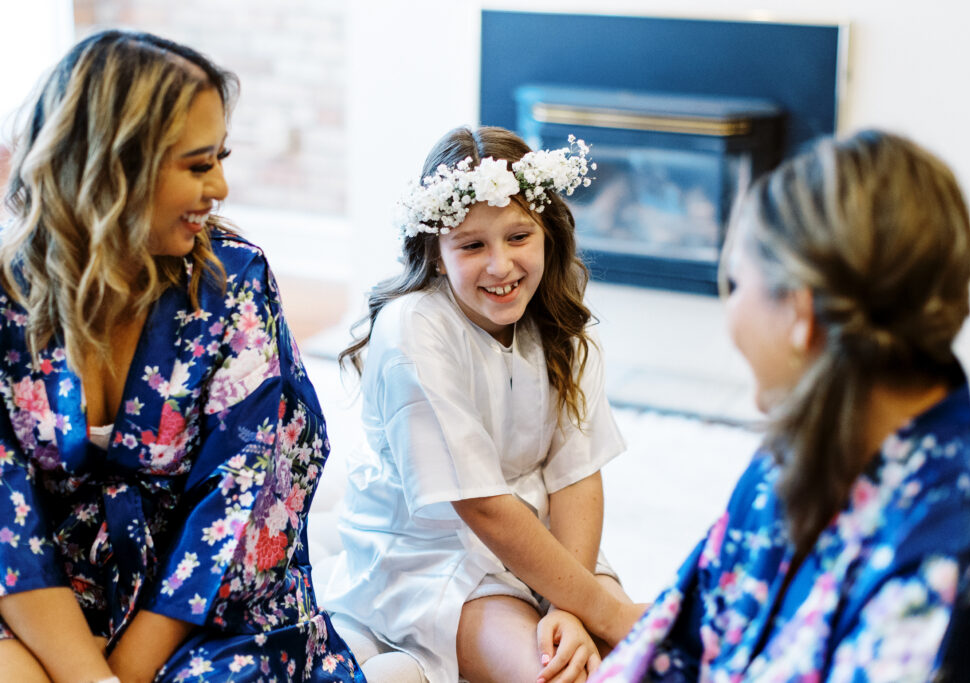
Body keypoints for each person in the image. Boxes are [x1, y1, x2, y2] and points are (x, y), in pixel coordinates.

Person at [591, 129, 970, 682]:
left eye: (737, 282)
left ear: (798, 313)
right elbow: (672, 650)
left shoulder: (960, 540)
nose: (731, 313)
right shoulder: (788, 460)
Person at [0, 30, 363, 683]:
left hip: (202, 610)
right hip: (33, 602)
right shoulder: (6, 303)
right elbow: (7, 524)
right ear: (116, 165)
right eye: (198, 165)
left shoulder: (235, 283)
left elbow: (237, 497)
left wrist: (127, 671)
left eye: (220, 157)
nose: (221, 186)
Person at [318, 126, 645, 683]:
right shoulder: (413, 328)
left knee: (650, 665)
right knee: (564, 675)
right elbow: (481, 506)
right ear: (438, 256)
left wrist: (571, 604)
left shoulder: (560, 323)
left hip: (549, 548)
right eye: (472, 245)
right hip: (434, 557)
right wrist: (610, 612)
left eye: (519, 237)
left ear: (546, 233)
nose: (501, 267)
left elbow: (576, 475)